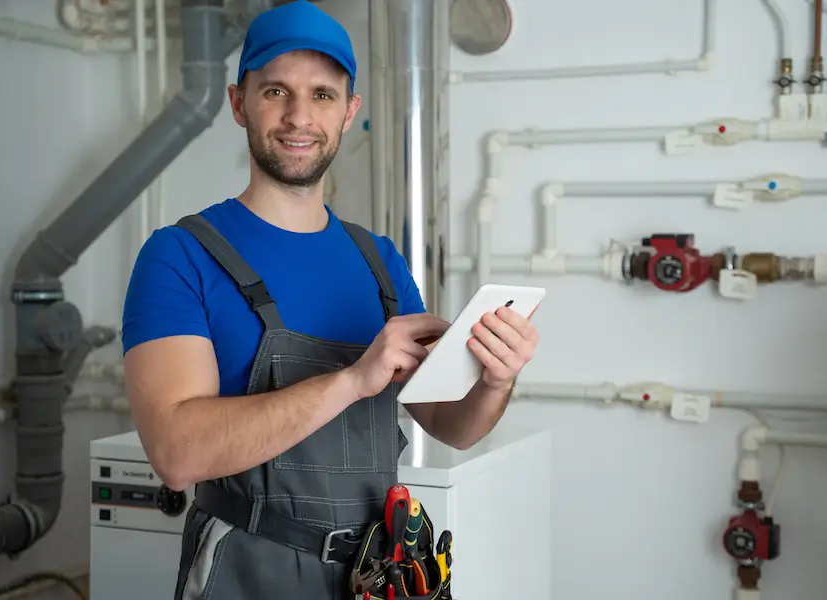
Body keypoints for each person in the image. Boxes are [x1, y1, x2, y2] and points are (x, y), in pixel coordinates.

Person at [121, 1, 540, 598]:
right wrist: (352, 380)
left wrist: (496, 379)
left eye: (322, 94)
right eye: (275, 91)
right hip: (247, 569)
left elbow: (452, 424)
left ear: (349, 112)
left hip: (377, 572)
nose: (299, 116)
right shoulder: (180, 256)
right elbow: (177, 453)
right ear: (239, 103)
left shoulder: (381, 263)